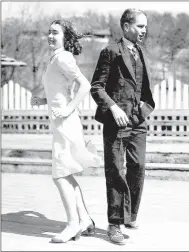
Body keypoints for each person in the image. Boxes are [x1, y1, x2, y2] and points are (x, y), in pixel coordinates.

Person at [31, 19, 101, 243]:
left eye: (55, 33)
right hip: (60, 123)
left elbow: (85, 85)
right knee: (65, 172)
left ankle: (72, 225)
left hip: (67, 123)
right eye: (49, 32)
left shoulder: (63, 58)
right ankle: (85, 220)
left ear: (65, 37)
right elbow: (61, 91)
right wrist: (43, 100)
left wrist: (68, 109)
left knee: (59, 175)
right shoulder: (55, 59)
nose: (51, 36)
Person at [91, 8, 155, 245]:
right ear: (126, 26)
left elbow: (143, 86)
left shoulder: (140, 51)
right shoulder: (110, 51)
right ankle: (114, 223)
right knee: (116, 171)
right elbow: (96, 87)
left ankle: (130, 215)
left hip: (138, 121)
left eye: (145, 27)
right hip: (116, 122)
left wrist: (143, 107)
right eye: (140, 26)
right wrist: (114, 108)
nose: (144, 31)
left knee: (138, 167)